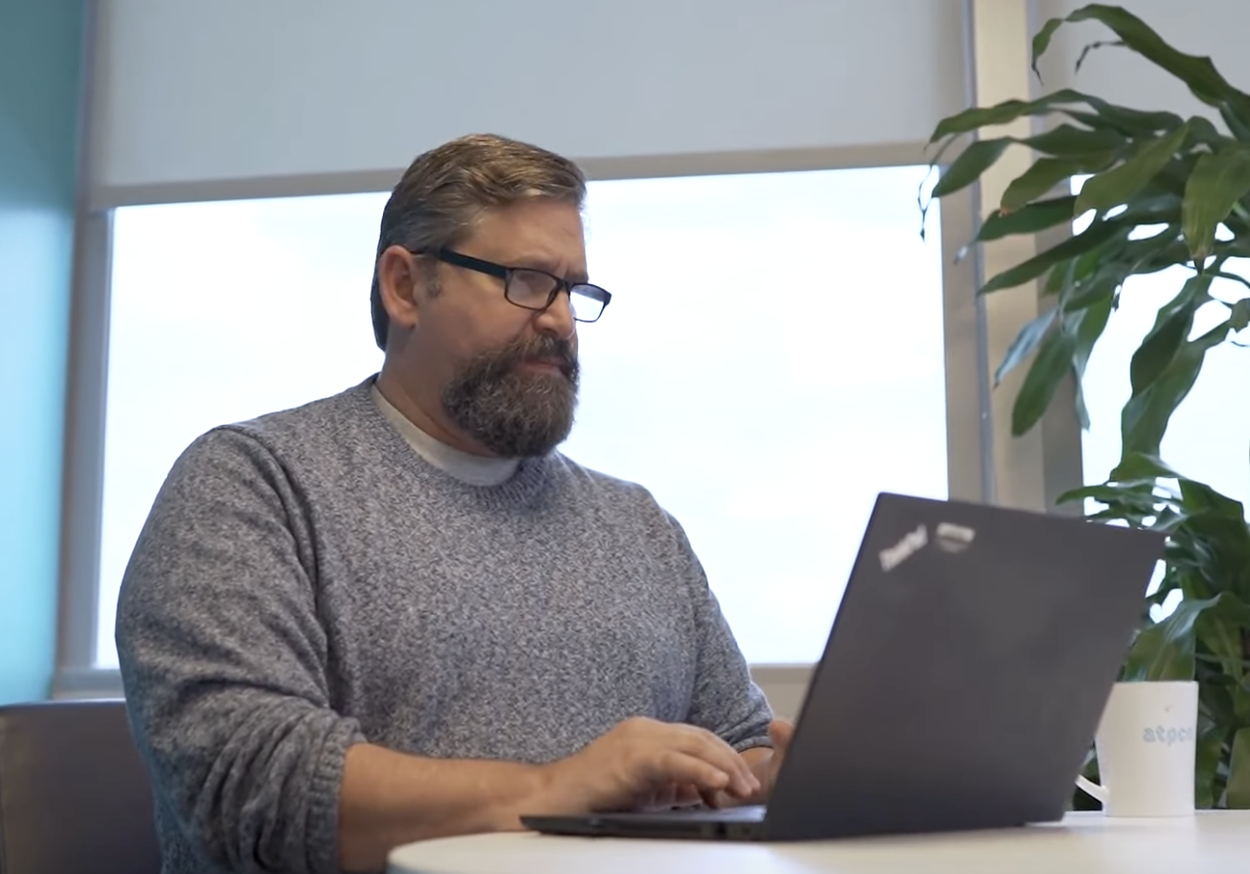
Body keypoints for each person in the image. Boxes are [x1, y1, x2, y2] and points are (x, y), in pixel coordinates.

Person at [116, 133, 793, 874]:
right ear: (405, 287)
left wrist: (775, 777)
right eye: (528, 281)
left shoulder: (639, 529)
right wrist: (556, 789)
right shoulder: (255, 485)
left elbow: (736, 745)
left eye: (574, 291)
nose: (562, 321)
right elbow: (249, 788)